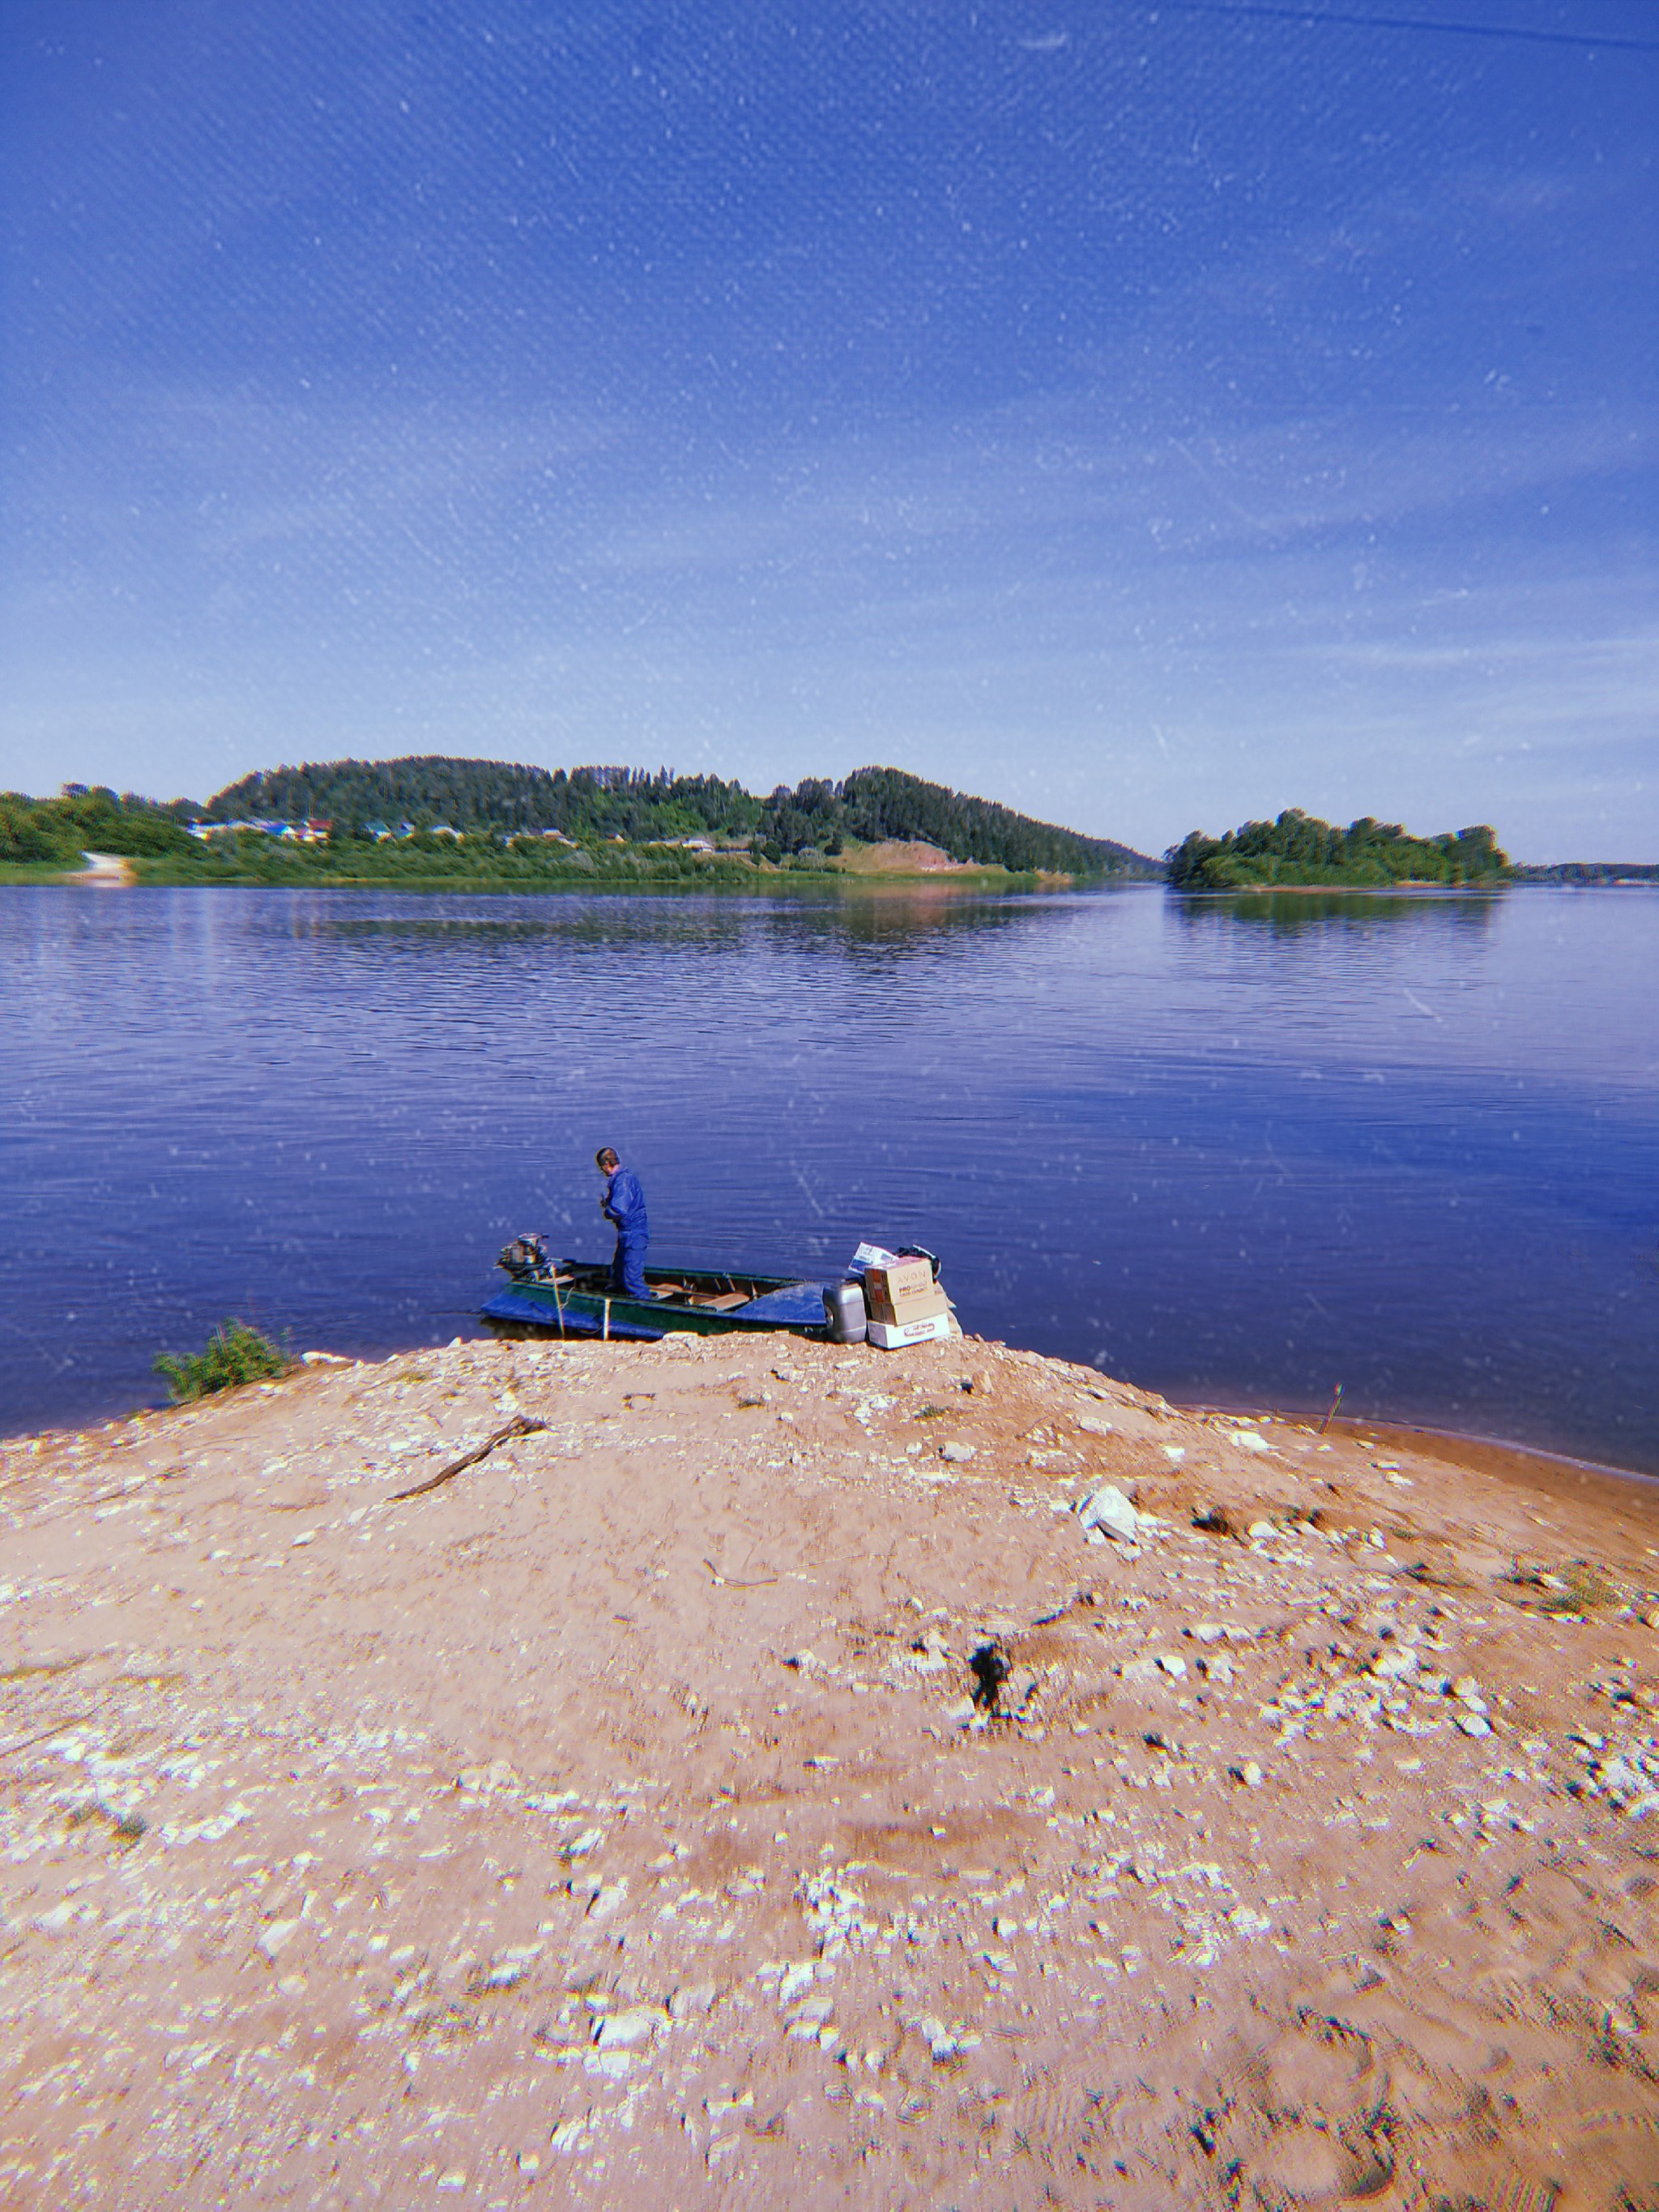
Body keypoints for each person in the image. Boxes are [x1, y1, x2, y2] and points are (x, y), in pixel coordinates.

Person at [595, 1147, 650, 1299]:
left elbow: (619, 1210)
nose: (603, 1171)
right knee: (618, 1271)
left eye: (602, 1168)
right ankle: (616, 1296)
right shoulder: (625, 1177)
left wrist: (607, 1211)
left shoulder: (622, 1181)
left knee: (632, 1278)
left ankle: (643, 1305)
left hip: (634, 1233)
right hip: (626, 1233)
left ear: (607, 1164)